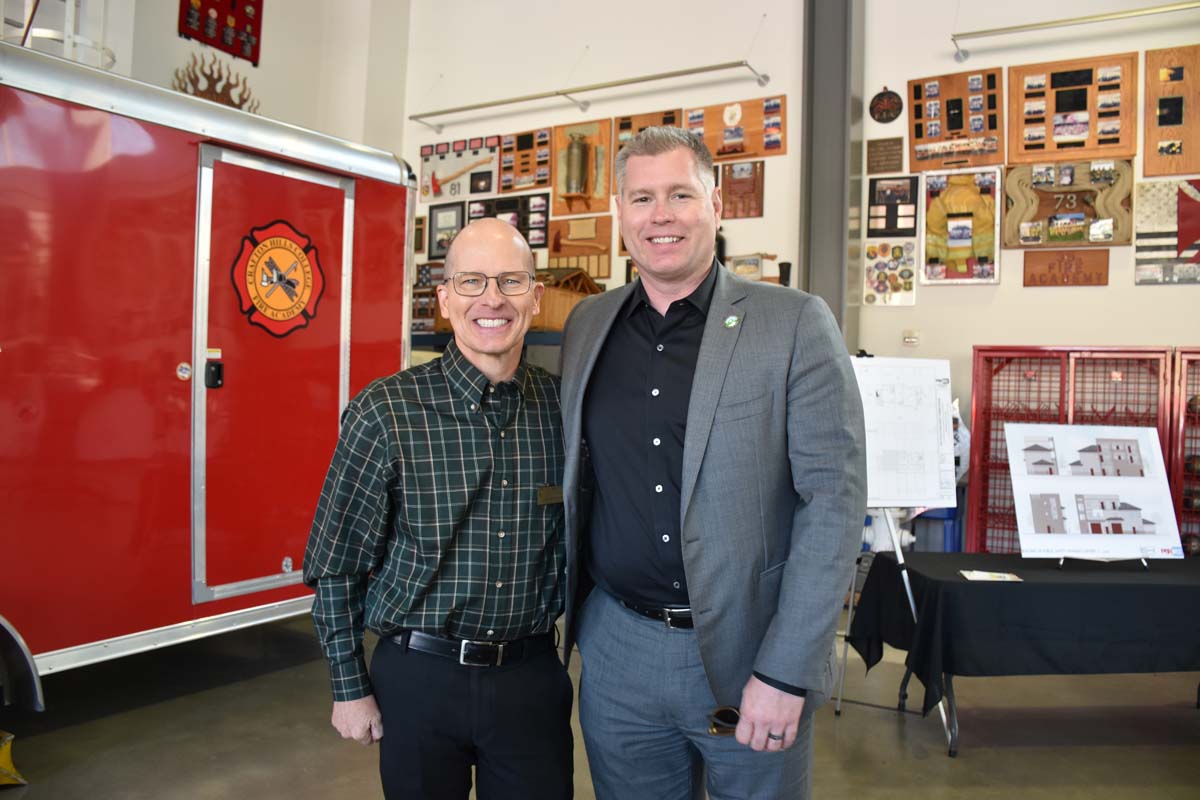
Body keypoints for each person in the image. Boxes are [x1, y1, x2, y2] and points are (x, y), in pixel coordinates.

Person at [559, 127, 866, 800]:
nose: (659, 215)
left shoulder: (792, 323)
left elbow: (835, 504)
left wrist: (787, 671)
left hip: (745, 657)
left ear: (716, 204)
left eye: (679, 194)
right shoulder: (588, 323)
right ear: (619, 212)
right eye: (641, 198)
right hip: (617, 648)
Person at [304, 218, 573, 800]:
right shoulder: (386, 412)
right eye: (472, 282)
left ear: (536, 296)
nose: (493, 299)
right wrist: (349, 687)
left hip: (530, 677)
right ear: (446, 301)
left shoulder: (564, 411)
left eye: (510, 281)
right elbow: (337, 562)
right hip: (419, 677)